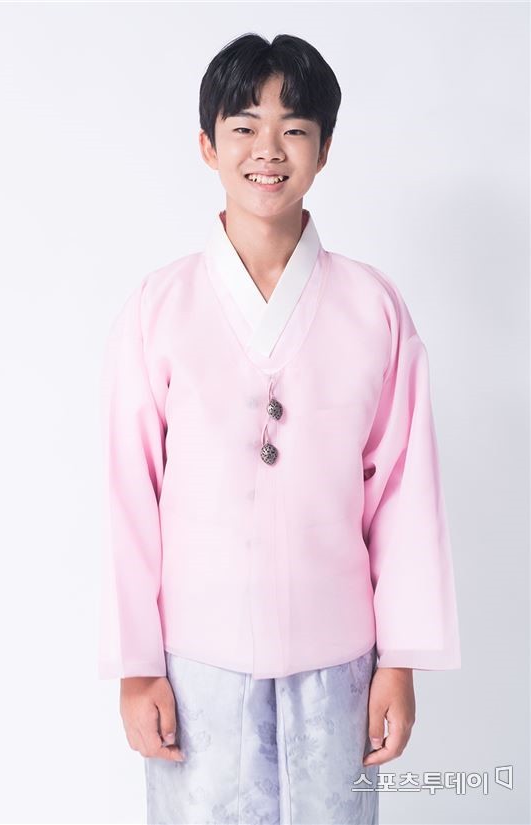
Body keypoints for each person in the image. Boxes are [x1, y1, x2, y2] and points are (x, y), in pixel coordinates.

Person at [98, 32, 462, 825]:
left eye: (294, 128)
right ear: (208, 145)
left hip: (338, 660)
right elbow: (131, 494)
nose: (268, 149)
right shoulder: (159, 308)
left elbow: (403, 494)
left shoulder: (373, 308)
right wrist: (136, 666)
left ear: (324, 150)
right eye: (244, 126)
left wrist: (399, 661)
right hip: (195, 664)